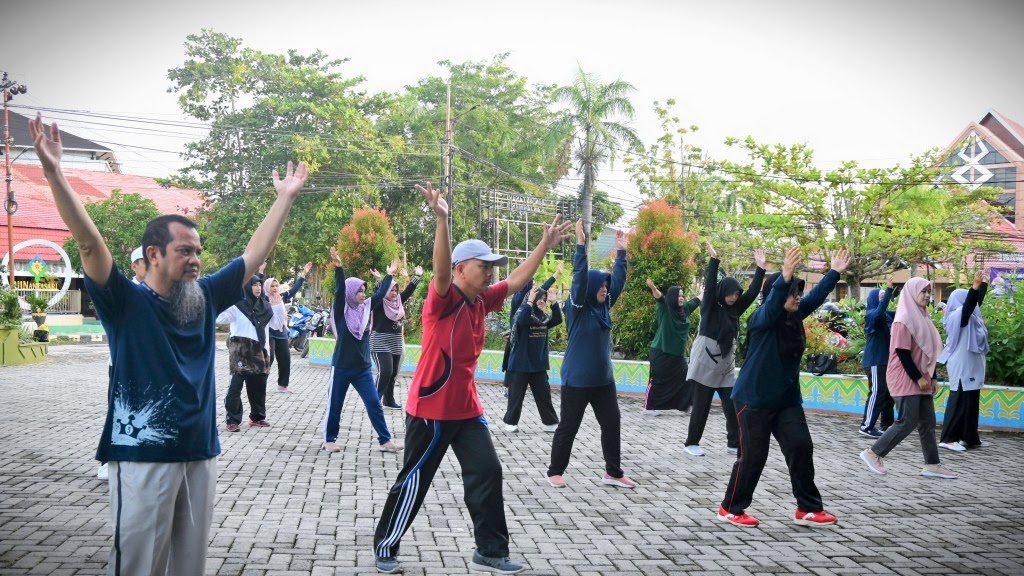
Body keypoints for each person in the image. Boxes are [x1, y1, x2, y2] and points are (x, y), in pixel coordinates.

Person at [30, 112, 308, 575]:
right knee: (139, 566)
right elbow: (88, 242)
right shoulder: (124, 302)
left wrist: (284, 200)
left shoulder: (204, 296)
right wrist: (55, 173)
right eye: (185, 251)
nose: (196, 259)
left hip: (200, 450)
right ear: (153, 255)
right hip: (141, 455)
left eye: (198, 251)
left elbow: (254, 253)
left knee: (189, 566)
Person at [373, 182, 571, 575]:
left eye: (491, 267)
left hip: (466, 410)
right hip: (431, 410)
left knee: (487, 471)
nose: (490, 273)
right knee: (415, 480)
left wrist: (544, 246)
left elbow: (515, 281)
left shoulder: (482, 299)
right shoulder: (443, 300)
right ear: (463, 269)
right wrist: (442, 221)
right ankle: (387, 544)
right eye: (484, 266)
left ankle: (490, 551)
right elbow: (441, 269)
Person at [719, 246, 848, 528]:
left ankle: (808, 508)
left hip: (786, 400)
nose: (797, 297)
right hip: (753, 400)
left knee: (801, 447)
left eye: (797, 292)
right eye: (793, 292)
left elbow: (814, 297)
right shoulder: (762, 319)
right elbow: (774, 301)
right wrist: (784, 278)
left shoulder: (794, 317)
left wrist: (834, 272)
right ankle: (730, 507)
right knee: (753, 457)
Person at [546, 219, 636, 491]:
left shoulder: (604, 307)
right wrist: (581, 245)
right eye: (601, 286)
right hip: (577, 380)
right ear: (590, 288)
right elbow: (580, 278)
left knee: (612, 424)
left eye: (606, 287)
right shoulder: (578, 306)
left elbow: (617, 282)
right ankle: (554, 471)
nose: (605, 289)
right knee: (569, 427)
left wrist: (621, 253)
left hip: (603, 381)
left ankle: (613, 472)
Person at [860, 277, 957, 480]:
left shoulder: (923, 316)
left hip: (921, 375)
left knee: (928, 421)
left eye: (929, 292)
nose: (927, 296)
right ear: (912, 292)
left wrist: (931, 377)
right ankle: (873, 453)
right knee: (907, 420)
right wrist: (918, 378)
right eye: (923, 292)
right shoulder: (903, 319)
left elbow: (927, 352)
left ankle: (932, 464)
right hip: (905, 377)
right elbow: (902, 352)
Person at [683, 245, 767, 457]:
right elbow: (710, 286)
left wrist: (760, 269)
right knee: (702, 406)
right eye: (730, 294)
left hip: (725, 365)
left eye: (736, 294)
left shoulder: (735, 309)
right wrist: (714, 260)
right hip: (705, 361)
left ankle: (733, 443)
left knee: (732, 405)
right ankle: (691, 442)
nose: (734, 297)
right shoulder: (710, 306)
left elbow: (753, 292)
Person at [321, 247, 402, 454]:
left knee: (374, 403)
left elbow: (381, 293)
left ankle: (385, 440)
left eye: (364, 291)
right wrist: (339, 267)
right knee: (335, 405)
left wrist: (389, 274)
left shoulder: (366, 308)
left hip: (363, 368)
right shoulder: (342, 311)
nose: (363, 294)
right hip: (341, 367)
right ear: (351, 292)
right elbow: (340, 291)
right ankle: (329, 439)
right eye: (359, 291)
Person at [97, 246, 146, 481]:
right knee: (119, 412)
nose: (148, 265)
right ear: (134, 266)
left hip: (149, 366)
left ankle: (139, 459)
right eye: (142, 262)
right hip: (121, 364)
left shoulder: (163, 291)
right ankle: (110, 460)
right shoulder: (123, 292)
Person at [218, 276, 287, 431]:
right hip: (241, 350)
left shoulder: (266, 306)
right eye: (254, 285)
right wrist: (225, 299)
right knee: (235, 386)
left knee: (258, 386)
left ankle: (257, 417)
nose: (258, 288)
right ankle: (232, 420)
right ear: (247, 287)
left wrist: (278, 306)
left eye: (259, 285)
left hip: (260, 350)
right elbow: (220, 318)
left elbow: (277, 325)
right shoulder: (237, 305)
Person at [937, 270, 989, 452]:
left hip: (971, 365)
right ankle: (948, 438)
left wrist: (983, 285)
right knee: (959, 399)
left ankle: (969, 437)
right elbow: (968, 307)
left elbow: (975, 303)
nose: (971, 302)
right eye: (967, 298)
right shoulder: (956, 316)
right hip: (961, 365)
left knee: (971, 400)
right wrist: (975, 287)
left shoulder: (971, 316)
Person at [501, 281, 562, 433]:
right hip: (520, 364)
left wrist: (554, 302)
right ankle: (510, 422)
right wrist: (529, 300)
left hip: (538, 365)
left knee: (544, 395)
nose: (542, 301)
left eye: (544, 298)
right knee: (516, 397)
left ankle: (550, 422)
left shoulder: (545, 319)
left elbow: (558, 319)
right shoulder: (525, 314)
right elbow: (521, 319)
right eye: (539, 298)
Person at [369, 260, 422, 410]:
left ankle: (388, 400)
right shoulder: (379, 303)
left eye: (396, 290)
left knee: (392, 373)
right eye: (391, 290)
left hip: (395, 342)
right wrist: (387, 275)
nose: (394, 293)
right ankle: (375, 400)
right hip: (379, 340)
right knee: (385, 371)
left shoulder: (398, 301)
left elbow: (409, 290)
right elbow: (380, 291)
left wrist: (416, 276)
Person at [643, 278, 700, 415]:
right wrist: (653, 288)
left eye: (682, 295)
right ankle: (649, 407)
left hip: (677, 355)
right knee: (658, 380)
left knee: (686, 378)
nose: (681, 298)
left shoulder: (684, 310)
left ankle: (685, 405)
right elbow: (660, 298)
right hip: (661, 352)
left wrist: (707, 289)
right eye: (679, 296)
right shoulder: (665, 308)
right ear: (673, 297)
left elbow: (697, 300)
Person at [265, 261, 312, 393]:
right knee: (270, 358)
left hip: (281, 332)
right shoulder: (263, 298)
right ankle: (260, 382)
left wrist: (303, 274)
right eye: (272, 286)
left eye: (276, 286)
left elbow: (294, 289)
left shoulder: (282, 297)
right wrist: (260, 271)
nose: (274, 288)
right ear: (267, 287)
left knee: (285, 358)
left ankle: (282, 385)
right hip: (268, 332)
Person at [859, 277, 897, 437]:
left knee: (887, 394)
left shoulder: (886, 316)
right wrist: (888, 290)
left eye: (884, 297)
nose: (883, 300)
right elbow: (880, 310)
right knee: (877, 391)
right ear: (874, 299)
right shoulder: (871, 315)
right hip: (875, 361)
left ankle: (886, 426)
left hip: (885, 361)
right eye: (880, 297)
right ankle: (866, 426)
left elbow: (903, 312)